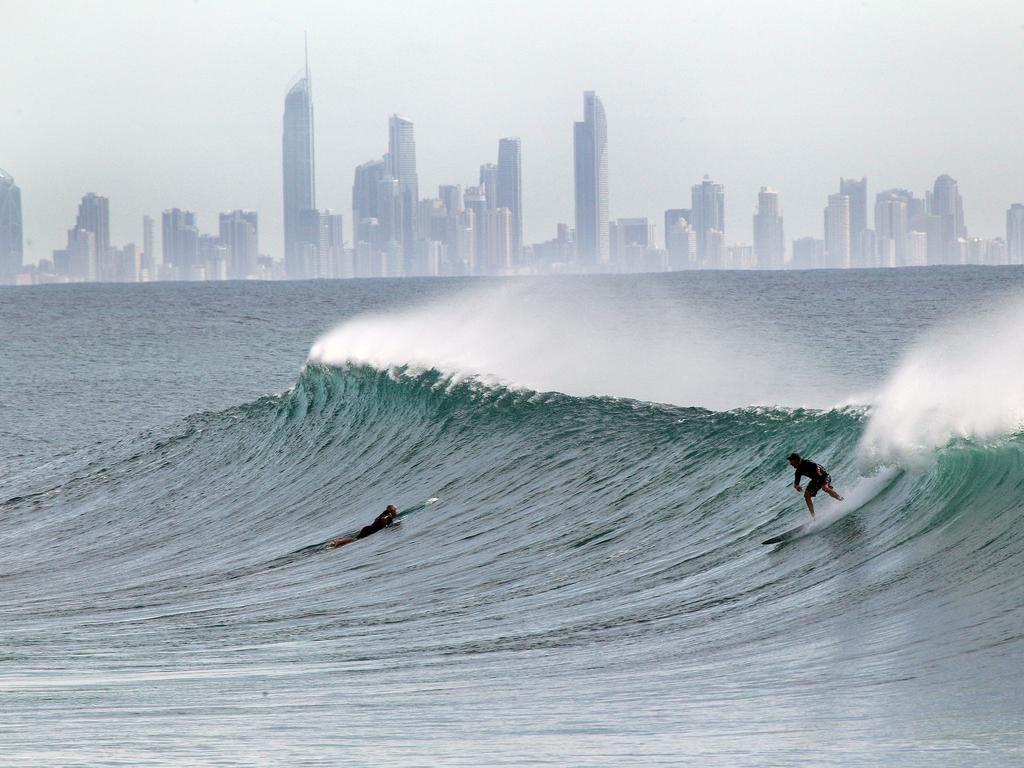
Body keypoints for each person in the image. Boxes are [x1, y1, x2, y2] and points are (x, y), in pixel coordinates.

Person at [787, 453, 843, 519]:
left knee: (825, 488)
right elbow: (796, 483)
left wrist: (818, 471)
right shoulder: (798, 471)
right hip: (815, 480)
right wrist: (797, 486)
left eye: (791, 461)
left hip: (823, 476)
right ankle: (814, 517)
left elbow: (816, 465)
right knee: (806, 495)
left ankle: (841, 499)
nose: (790, 464)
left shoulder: (807, 462)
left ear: (796, 460)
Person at [329, 505, 399, 548]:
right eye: (395, 510)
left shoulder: (384, 513)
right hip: (370, 530)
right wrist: (385, 526)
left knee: (356, 538)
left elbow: (376, 520)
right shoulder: (388, 515)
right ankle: (339, 541)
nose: (396, 511)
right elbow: (383, 519)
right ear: (392, 511)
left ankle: (337, 542)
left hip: (369, 528)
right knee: (356, 540)